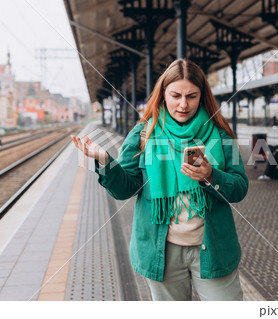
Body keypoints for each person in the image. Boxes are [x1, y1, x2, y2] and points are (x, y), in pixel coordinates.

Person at [71, 59, 248, 301]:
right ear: (163, 93)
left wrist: (210, 176)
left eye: (192, 96)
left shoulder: (219, 133)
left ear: (202, 96)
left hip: (214, 248)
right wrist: (105, 162)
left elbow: (239, 188)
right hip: (160, 251)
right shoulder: (144, 132)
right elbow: (126, 189)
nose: (183, 104)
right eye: (176, 95)